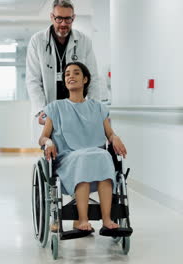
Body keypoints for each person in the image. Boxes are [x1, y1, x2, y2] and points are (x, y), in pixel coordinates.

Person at [39, 62, 127, 235]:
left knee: (104, 155)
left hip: (95, 155)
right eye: (67, 74)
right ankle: (82, 220)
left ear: (85, 79)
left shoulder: (98, 108)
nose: (70, 76)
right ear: (64, 81)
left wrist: (115, 137)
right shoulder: (55, 107)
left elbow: (109, 133)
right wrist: (48, 143)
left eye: (76, 73)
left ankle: (107, 219)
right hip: (68, 157)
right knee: (85, 158)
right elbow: (43, 137)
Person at [26, 0, 101, 127]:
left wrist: (94, 107)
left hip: (77, 110)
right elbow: (33, 80)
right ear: (52, 17)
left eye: (68, 19)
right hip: (49, 110)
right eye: (59, 19)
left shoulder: (83, 41)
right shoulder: (37, 41)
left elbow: (92, 78)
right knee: (51, 145)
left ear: (73, 18)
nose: (63, 24)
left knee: (78, 144)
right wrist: (41, 110)